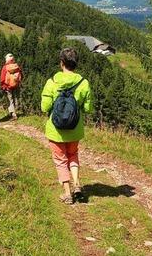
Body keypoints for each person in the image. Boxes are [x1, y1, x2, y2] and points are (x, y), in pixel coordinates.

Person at [41, 48, 93, 204]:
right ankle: (77, 184)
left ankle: (67, 193)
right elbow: (88, 108)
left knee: (60, 160)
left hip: (55, 130)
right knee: (73, 155)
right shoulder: (83, 83)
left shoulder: (52, 82)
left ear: (61, 63)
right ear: (75, 64)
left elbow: (44, 107)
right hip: (75, 129)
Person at [0, 53, 23, 119]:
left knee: (10, 99)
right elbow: (21, 75)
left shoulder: (5, 67)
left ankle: (13, 113)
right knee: (15, 98)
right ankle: (13, 111)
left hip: (7, 86)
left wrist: (2, 85)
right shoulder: (16, 66)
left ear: (6, 59)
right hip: (15, 85)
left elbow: (2, 78)